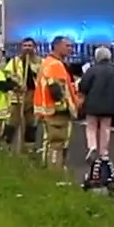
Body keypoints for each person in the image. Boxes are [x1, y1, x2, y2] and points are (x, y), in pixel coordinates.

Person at [33, 36, 81, 170]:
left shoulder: (47, 62)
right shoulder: (56, 65)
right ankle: (54, 171)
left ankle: (49, 168)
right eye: (67, 46)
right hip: (56, 112)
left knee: (49, 142)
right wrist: (65, 107)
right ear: (56, 46)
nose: (70, 49)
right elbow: (56, 89)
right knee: (57, 143)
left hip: (48, 109)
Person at [77, 46, 114, 188]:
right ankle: (104, 152)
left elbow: (83, 86)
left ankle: (92, 146)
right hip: (109, 104)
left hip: (92, 103)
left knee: (91, 126)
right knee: (105, 128)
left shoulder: (92, 70)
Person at [4, 37, 41, 155]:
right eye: (25, 46)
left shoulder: (40, 62)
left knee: (31, 124)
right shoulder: (15, 62)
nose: (27, 48)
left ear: (34, 47)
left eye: (30, 46)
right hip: (18, 97)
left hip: (33, 96)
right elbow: (7, 76)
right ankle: (6, 147)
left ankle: (28, 149)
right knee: (12, 124)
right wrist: (18, 85)